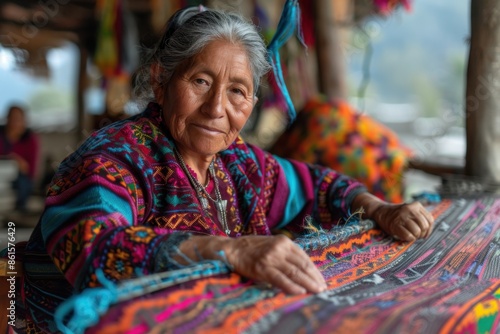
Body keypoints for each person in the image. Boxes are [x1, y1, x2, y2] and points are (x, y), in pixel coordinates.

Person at [18, 5, 434, 332]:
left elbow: (317, 187)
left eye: (237, 91)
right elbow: (93, 248)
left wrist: (381, 209)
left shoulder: (239, 162)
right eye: (200, 81)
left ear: (252, 104)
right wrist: (229, 250)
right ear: (161, 81)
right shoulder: (115, 157)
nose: (217, 108)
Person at [0, 105, 40, 212]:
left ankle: (17, 216)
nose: (15, 122)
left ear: (24, 121)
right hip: (1, 176)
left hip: (19, 179)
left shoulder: (30, 140)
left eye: (18, 119)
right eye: (12, 118)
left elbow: (30, 171)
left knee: (23, 184)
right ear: (7, 119)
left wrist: (18, 162)